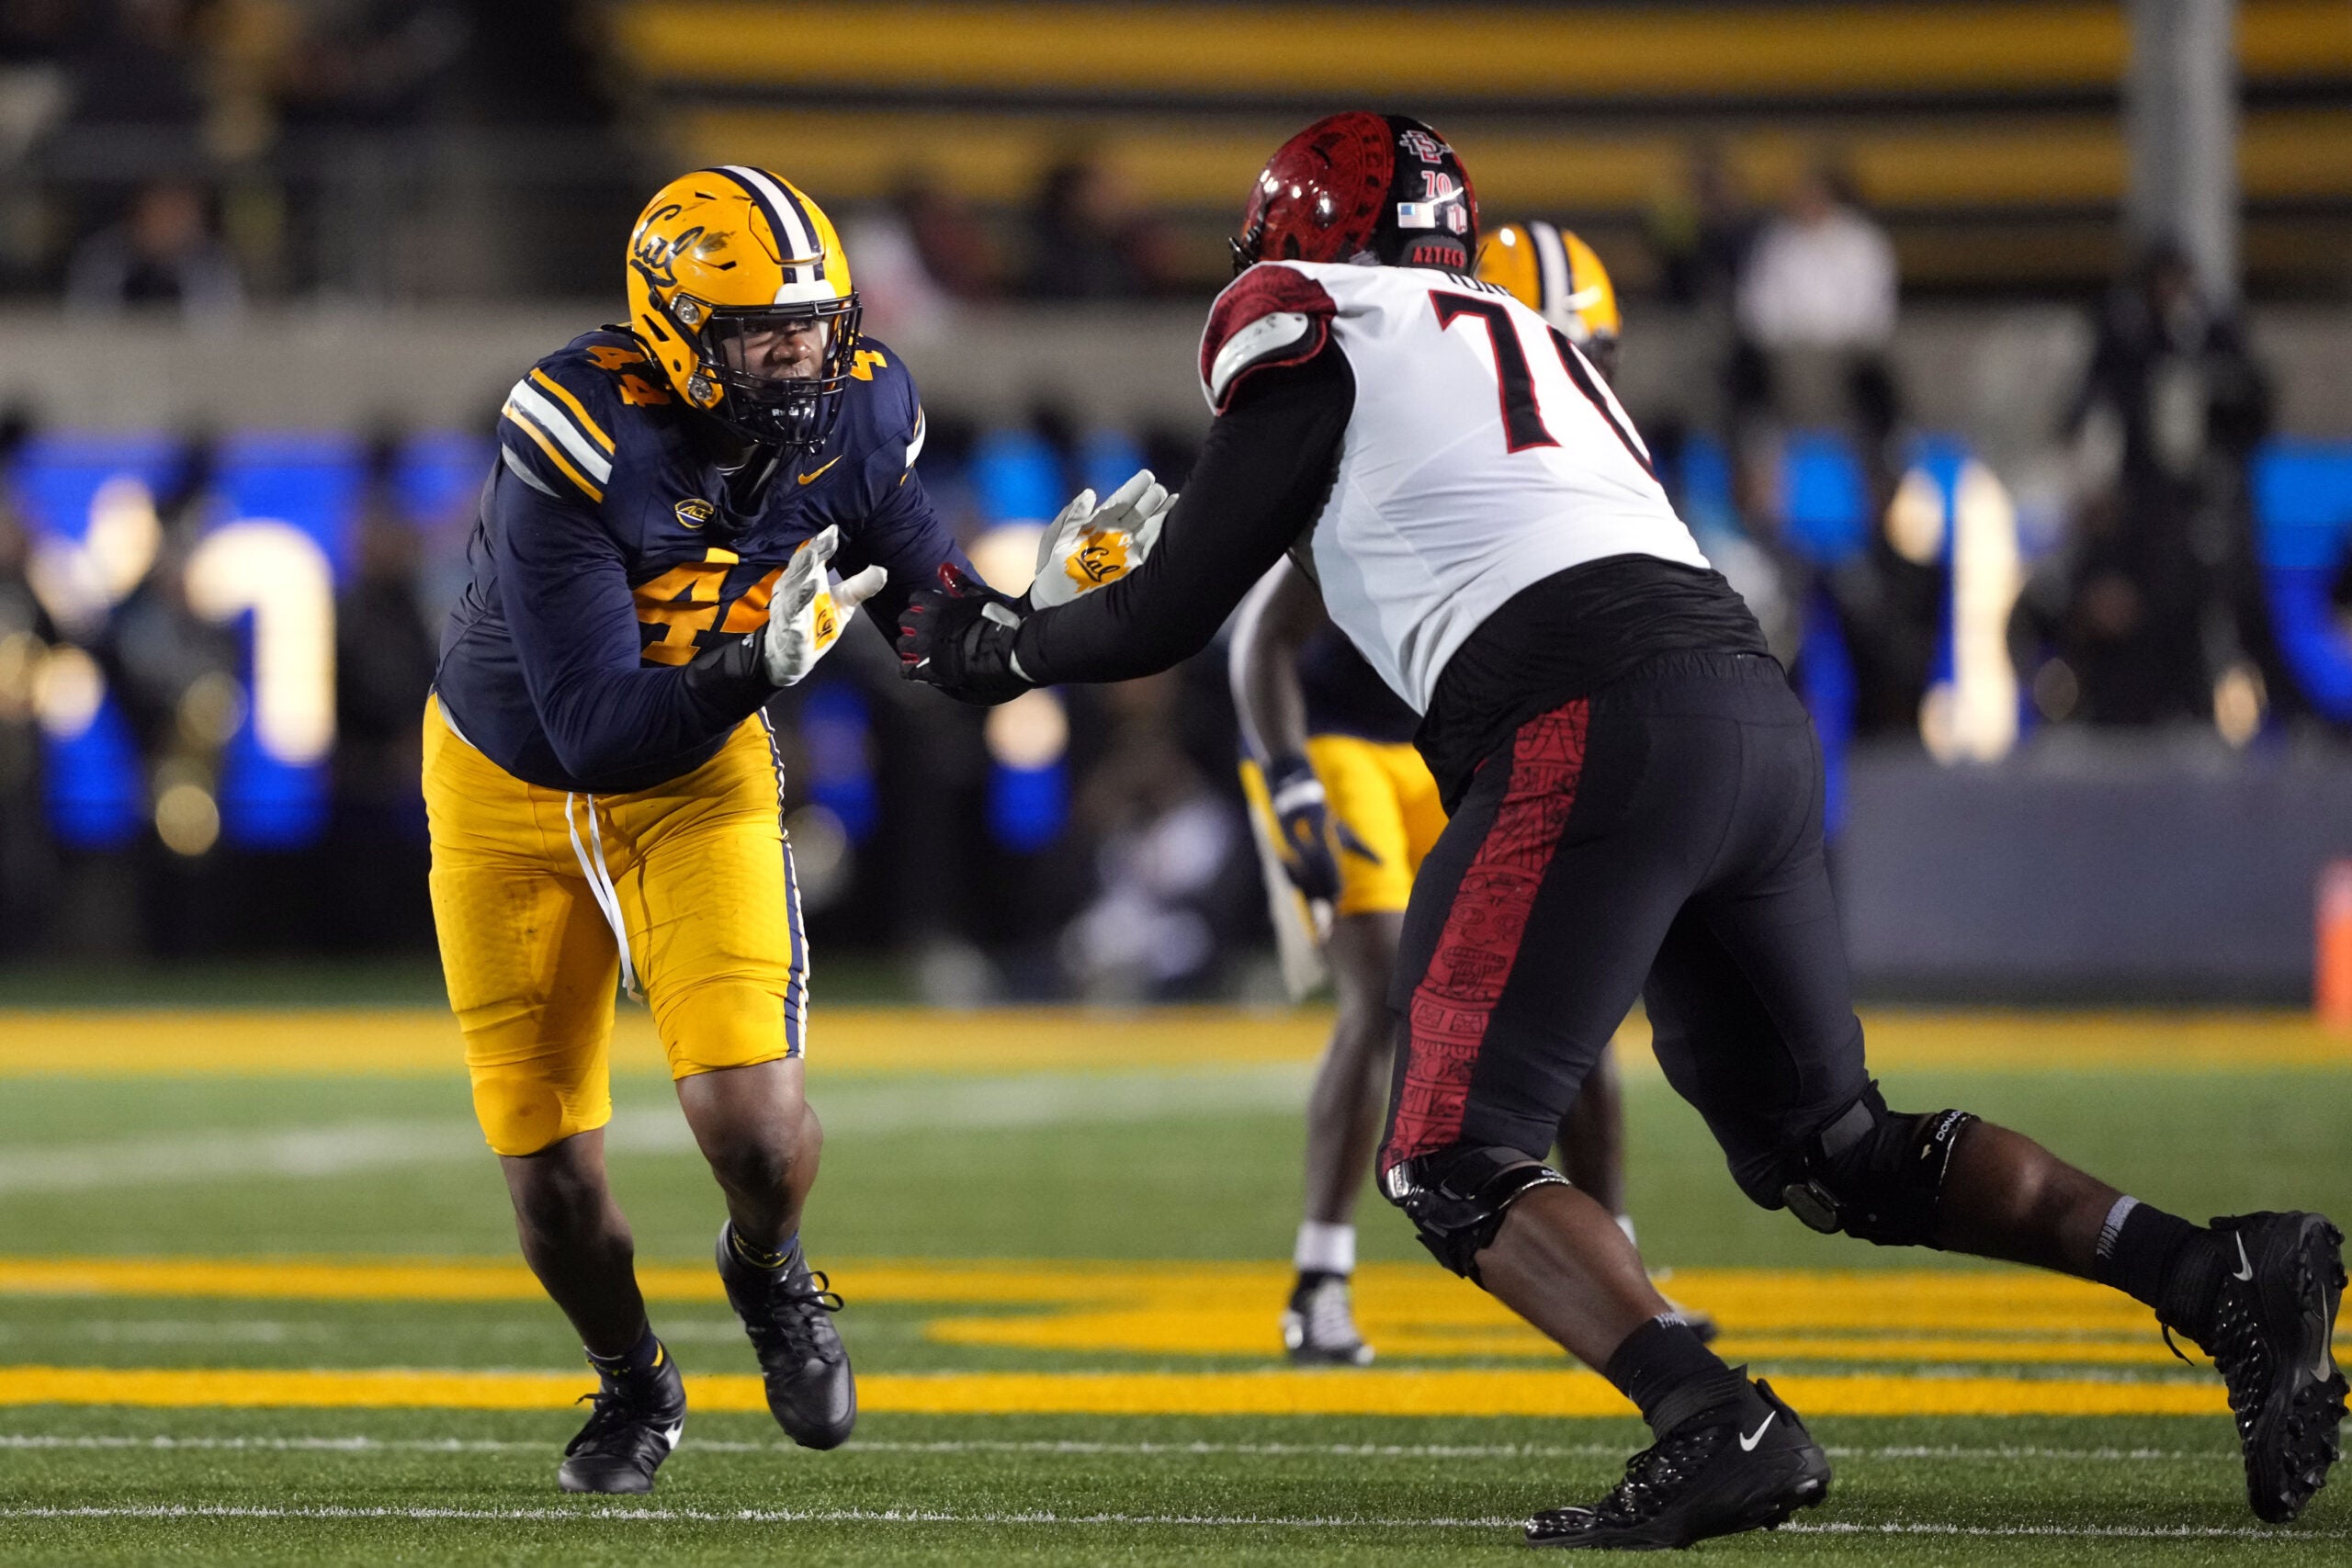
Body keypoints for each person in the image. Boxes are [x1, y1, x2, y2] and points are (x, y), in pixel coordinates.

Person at [896, 113, 2346, 1549]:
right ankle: (2211, 1265)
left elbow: (1169, 615)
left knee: (1451, 1148)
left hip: (1582, 718)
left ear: (1307, 242)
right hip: (1745, 712)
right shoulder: (1517, 344)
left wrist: (993, 644)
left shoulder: (1314, 313)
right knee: (1833, 1145)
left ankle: (1714, 1416)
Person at [425, 165, 1166, 1495]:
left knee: (754, 1127)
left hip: (697, 782)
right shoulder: (577, 427)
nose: (801, 356)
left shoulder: (866, 410)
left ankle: (767, 1269)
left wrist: (1043, 623)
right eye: (765, 330)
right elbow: (594, 726)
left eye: (815, 326)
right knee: (548, 1176)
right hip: (509, 789)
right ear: (672, 326)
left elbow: (936, 629)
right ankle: (635, 1378)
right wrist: (750, 671)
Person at [1232, 220, 1709, 1366]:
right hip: (1347, 750)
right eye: (1565, 346)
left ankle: (1622, 1272)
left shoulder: (1582, 469)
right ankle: (1320, 1276)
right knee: (1383, 998)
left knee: (1575, 1000)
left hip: (1485, 762)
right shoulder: (1406, 435)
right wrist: (1291, 782)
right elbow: (1263, 636)